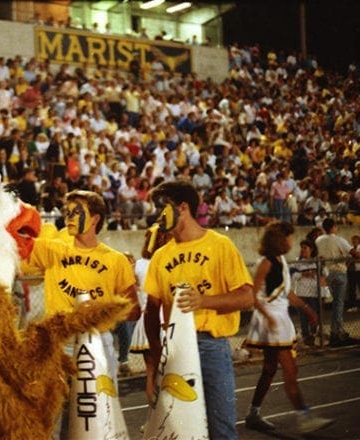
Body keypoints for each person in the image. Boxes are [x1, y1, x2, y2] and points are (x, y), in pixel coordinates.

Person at [143, 180, 254, 440]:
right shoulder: (161, 255)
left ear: (182, 208)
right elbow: (151, 309)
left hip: (211, 345)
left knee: (221, 426)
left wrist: (204, 301)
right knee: (176, 428)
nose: (157, 216)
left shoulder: (220, 245)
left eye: (162, 208)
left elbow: (247, 296)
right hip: (175, 348)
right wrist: (157, 354)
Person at [25, 190, 140, 387]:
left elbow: (134, 310)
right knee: (58, 409)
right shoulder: (52, 249)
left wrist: (99, 313)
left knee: (101, 410)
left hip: (99, 342)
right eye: (67, 212)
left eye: (75, 212)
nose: (68, 218)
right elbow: (15, 247)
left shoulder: (116, 260)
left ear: (95, 218)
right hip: (60, 343)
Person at [244, 221, 335, 434]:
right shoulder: (265, 263)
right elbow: (253, 296)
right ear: (280, 239)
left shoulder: (281, 260)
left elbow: (287, 292)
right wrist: (268, 317)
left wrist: (307, 309)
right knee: (290, 369)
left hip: (280, 318)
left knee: (269, 370)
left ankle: (253, 414)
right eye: (290, 237)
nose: (293, 241)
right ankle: (305, 417)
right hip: (271, 321)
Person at [129, 226, 171, 402]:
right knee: (168, 373)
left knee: (151, 372)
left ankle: (152, 420)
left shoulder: (138, 265)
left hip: (145, 321)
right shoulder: (166, 261)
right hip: (163, 320)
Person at [315, 218, 360, 346]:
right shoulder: (338, 239)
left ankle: (333, 331)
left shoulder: (318, 240)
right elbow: (355, 253)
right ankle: (337, 332)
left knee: (328, 304)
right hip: (338, 272)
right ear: (334, 227)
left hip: (325, 272)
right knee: (339, 303)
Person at [291, 239, 325, 346]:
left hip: (314, 294)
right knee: (303, 318)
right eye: (301, 247)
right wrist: (303, 274)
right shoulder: (297, 261)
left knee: (314, 316)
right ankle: (306, 338)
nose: (302, 250)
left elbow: (325, 274)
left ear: (311, 249)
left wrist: (321, 268)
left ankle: (314, 335)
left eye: (305, 248)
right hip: (301, 294)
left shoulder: (316, 261)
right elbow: (292, 275)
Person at [346, 234, 360, 311]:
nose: (354, 241)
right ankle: (353, 306)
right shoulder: (351, 250)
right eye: (353, 240)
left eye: (356, 240)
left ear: (359, 241)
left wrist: (354, 261)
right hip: (352, 271)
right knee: (352, 289)